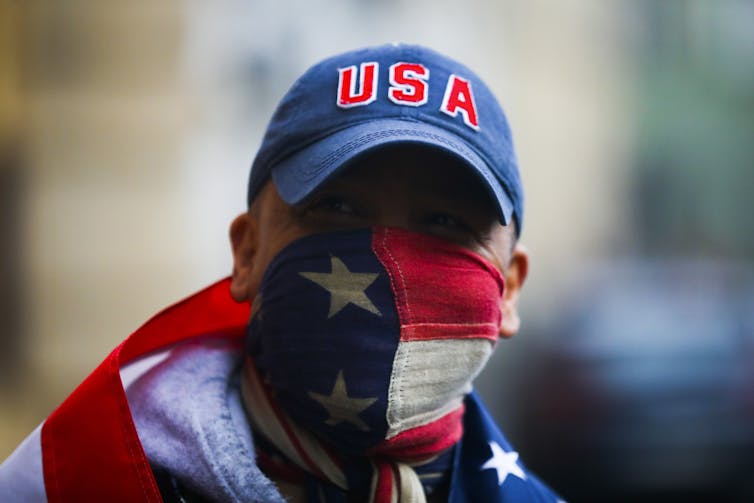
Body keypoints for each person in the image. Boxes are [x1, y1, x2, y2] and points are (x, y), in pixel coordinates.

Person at [0, 43, 564, 502]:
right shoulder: (88, 484)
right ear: (247, 254)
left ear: (508, 288)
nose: (387, 259)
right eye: (338, 208)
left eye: (443, 222)